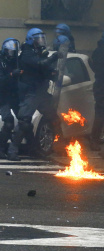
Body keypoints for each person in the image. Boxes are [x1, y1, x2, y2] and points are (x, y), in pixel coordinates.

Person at [7, 28, 59, 161]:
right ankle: (12, 151)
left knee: (53, 117)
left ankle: (50, 147)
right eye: (38, 39)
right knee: (24, 121)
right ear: (31, 40)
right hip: (31, 92)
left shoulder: (39, 52)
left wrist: (53, 74)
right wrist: (53, 57)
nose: (41, 41)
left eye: (42, 38)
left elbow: (45, 69)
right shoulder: (26, 53)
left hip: (41, 91)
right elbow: (39, 65)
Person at [0, 38, 21, 158]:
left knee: (24, 121)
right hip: (3, 96)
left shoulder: (16, 61)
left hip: (15, 95)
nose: (11, 55)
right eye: (10, 52)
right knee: (8, 122)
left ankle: (15, 150)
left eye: (14, 52)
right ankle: (1, 148)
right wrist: (12, 74)